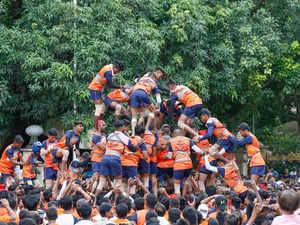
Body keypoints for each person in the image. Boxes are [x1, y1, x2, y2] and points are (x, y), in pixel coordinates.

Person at [97, 120, 143, 192]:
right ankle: (117, 201)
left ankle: (95, 201)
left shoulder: (110, 135)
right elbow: (133, 149)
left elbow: (102, 145)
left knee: (101, 182)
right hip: (115, 158)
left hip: (105, 157)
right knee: (118, 181)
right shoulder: (123, 137)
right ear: (122, 127)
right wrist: (139, 144)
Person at [88, 61, 125, 129]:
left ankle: (99, 125)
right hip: (95, 88)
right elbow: (110, 85)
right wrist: (121, 87)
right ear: (115, 67)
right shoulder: (108, 72)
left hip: (98, 89)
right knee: (98, 108)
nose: (118, 72)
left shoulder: (109, 68)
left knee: (102, 107)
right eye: (118, 70)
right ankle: (95, 128)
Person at [168, 129, 204, 196]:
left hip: (178, 165)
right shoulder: (188, 140)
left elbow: (169, 156)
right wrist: (204, 151)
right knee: (186, 181)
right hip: (188, 164)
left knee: (177, 186)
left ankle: (178, 200)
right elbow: (199, 151)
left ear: (174, 134)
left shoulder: (171, 141)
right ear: (181, 134)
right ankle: (184, 197)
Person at [130, 71, 163, 136]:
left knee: (134, 116)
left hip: (134, 93)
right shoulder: (153, 83)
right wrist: (157, 106)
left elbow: (135, 79)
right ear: (154, 78)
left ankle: (133, 133)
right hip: (143, 93)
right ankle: (146, 129)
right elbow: (159, 100)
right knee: (152, 110)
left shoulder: (142, 79)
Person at [121, 125, 147, 195]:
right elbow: (145, 156)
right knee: (133, 183)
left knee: (123, 182)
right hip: (132, 165)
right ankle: (131, 200)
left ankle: (123, 199)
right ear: (142, 134)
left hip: (123, 163)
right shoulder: (141, 141)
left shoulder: (128, 138)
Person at [90, 120, 107, 194]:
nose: (105, 126)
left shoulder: (103, 135)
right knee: (95, 177)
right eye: (103, 125)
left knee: (101, 178)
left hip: (102, 159)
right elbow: (103, 148)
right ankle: (90, 192)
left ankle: (94, 193)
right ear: (99, 126)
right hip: (96, 159)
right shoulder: (96, 136)